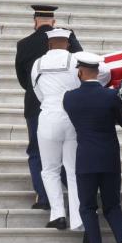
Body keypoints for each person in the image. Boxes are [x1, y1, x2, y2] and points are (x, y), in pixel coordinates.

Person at [63, 52, 122, 243]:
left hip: (86, 158)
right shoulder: (111, 97)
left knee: (87, 206)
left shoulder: (69, 97)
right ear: (98, 72)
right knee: (112, 205)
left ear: (81, 72)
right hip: (110, 157)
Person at [15, 5, 82, 209]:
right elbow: (82, 65)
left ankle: (44, 197)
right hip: (67, 105)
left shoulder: (24, 44)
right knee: (68, 150)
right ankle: (74, 193)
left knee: (36, 151)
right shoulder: (67, 38)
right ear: (53, 22)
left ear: (35, 22)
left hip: (36, 105)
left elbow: (22, 79)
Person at [31, 29, 82, 230]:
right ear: (68, 44)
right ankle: (78, 218)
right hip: (71, 117)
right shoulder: (75, 60)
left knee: (50, 169)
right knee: (73, 170)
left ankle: (58, 213)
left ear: (50, 44)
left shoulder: (38, 63)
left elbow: (38, 94)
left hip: (48, 117)